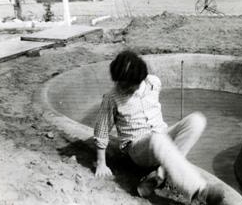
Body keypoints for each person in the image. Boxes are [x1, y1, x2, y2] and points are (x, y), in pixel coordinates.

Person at [93, 50, 225, 204]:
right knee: (157, 138)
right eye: (121, 84)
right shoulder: (111, 98)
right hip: (138, 148)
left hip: (161, 137)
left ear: (140, 78)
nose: (124, 88)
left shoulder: (154, 83)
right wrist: (101, 163)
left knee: (196, 120)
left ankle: (160, 174)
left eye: (129, 85)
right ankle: (200, 191)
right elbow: (101, 130)